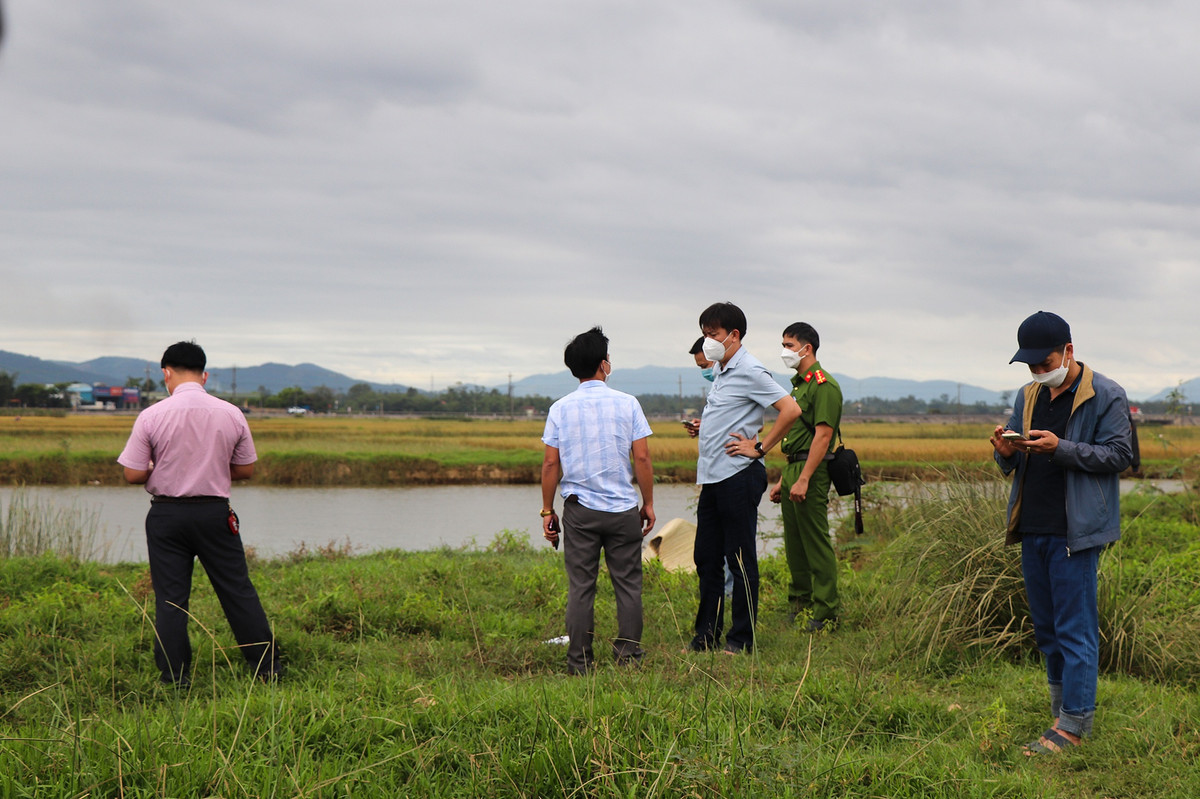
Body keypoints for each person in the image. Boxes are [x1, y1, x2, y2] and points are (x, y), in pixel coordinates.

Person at [990, 312, 1132, 755]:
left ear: (1069, 351)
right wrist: (1006, 453)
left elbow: (1120, 455)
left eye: (1044, 361)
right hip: (1032, 525)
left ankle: (1075, 726)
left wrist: (1061, 448)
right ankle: (1061, 715)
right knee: (1047, 629)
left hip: (1075, 529)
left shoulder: (1106, 394)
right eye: (1030, 366)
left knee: (1076, 629)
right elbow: (1016, 462)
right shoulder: (1028, 394)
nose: (1037, 372)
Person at [118, 341, 282, 687]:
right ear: (204, 375)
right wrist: (214, 469)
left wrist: (160, 469)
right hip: (214, 514)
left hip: (166, 516)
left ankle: (175, 678)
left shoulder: (151, 415)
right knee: (237, 590)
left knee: (171, 599)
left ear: (166, 373)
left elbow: (132, 474)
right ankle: (267, 669)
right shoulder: (231, 413)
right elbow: (246, 470)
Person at [683, 302, 800, 654]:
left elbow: (790, 409)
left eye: (713, 335)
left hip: (738, 476)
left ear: (734, 336)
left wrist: (760, 447)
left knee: (739, 559)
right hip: (713, 478)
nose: (708, 342)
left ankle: (740, 640)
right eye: (705, 335)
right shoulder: (721, 370)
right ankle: (706, 636)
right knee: (706, 557)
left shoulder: (749, 369)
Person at [540, 327, 656, 675]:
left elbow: (550, 463)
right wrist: (647, 503)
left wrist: (548, 510)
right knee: (628, 585)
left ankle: (579, 662)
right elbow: (643, 459)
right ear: (604, 364)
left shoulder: (560, 408)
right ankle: (629, 658)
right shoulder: (628, 403)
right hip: (622, 509)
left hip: (579, 512)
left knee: (581, 587)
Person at [731, 322, 842, 631]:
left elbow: (822, 437)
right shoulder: (799, 386)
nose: (784, 351)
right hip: (794, 467)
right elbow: (794, 438)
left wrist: (805, 478)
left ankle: (826, 611)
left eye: (789, 345)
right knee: (794, 544)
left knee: (815, 542)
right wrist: (784, 479)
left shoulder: (824, 385)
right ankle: (800, 603)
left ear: (807, 349)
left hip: (812, 469)